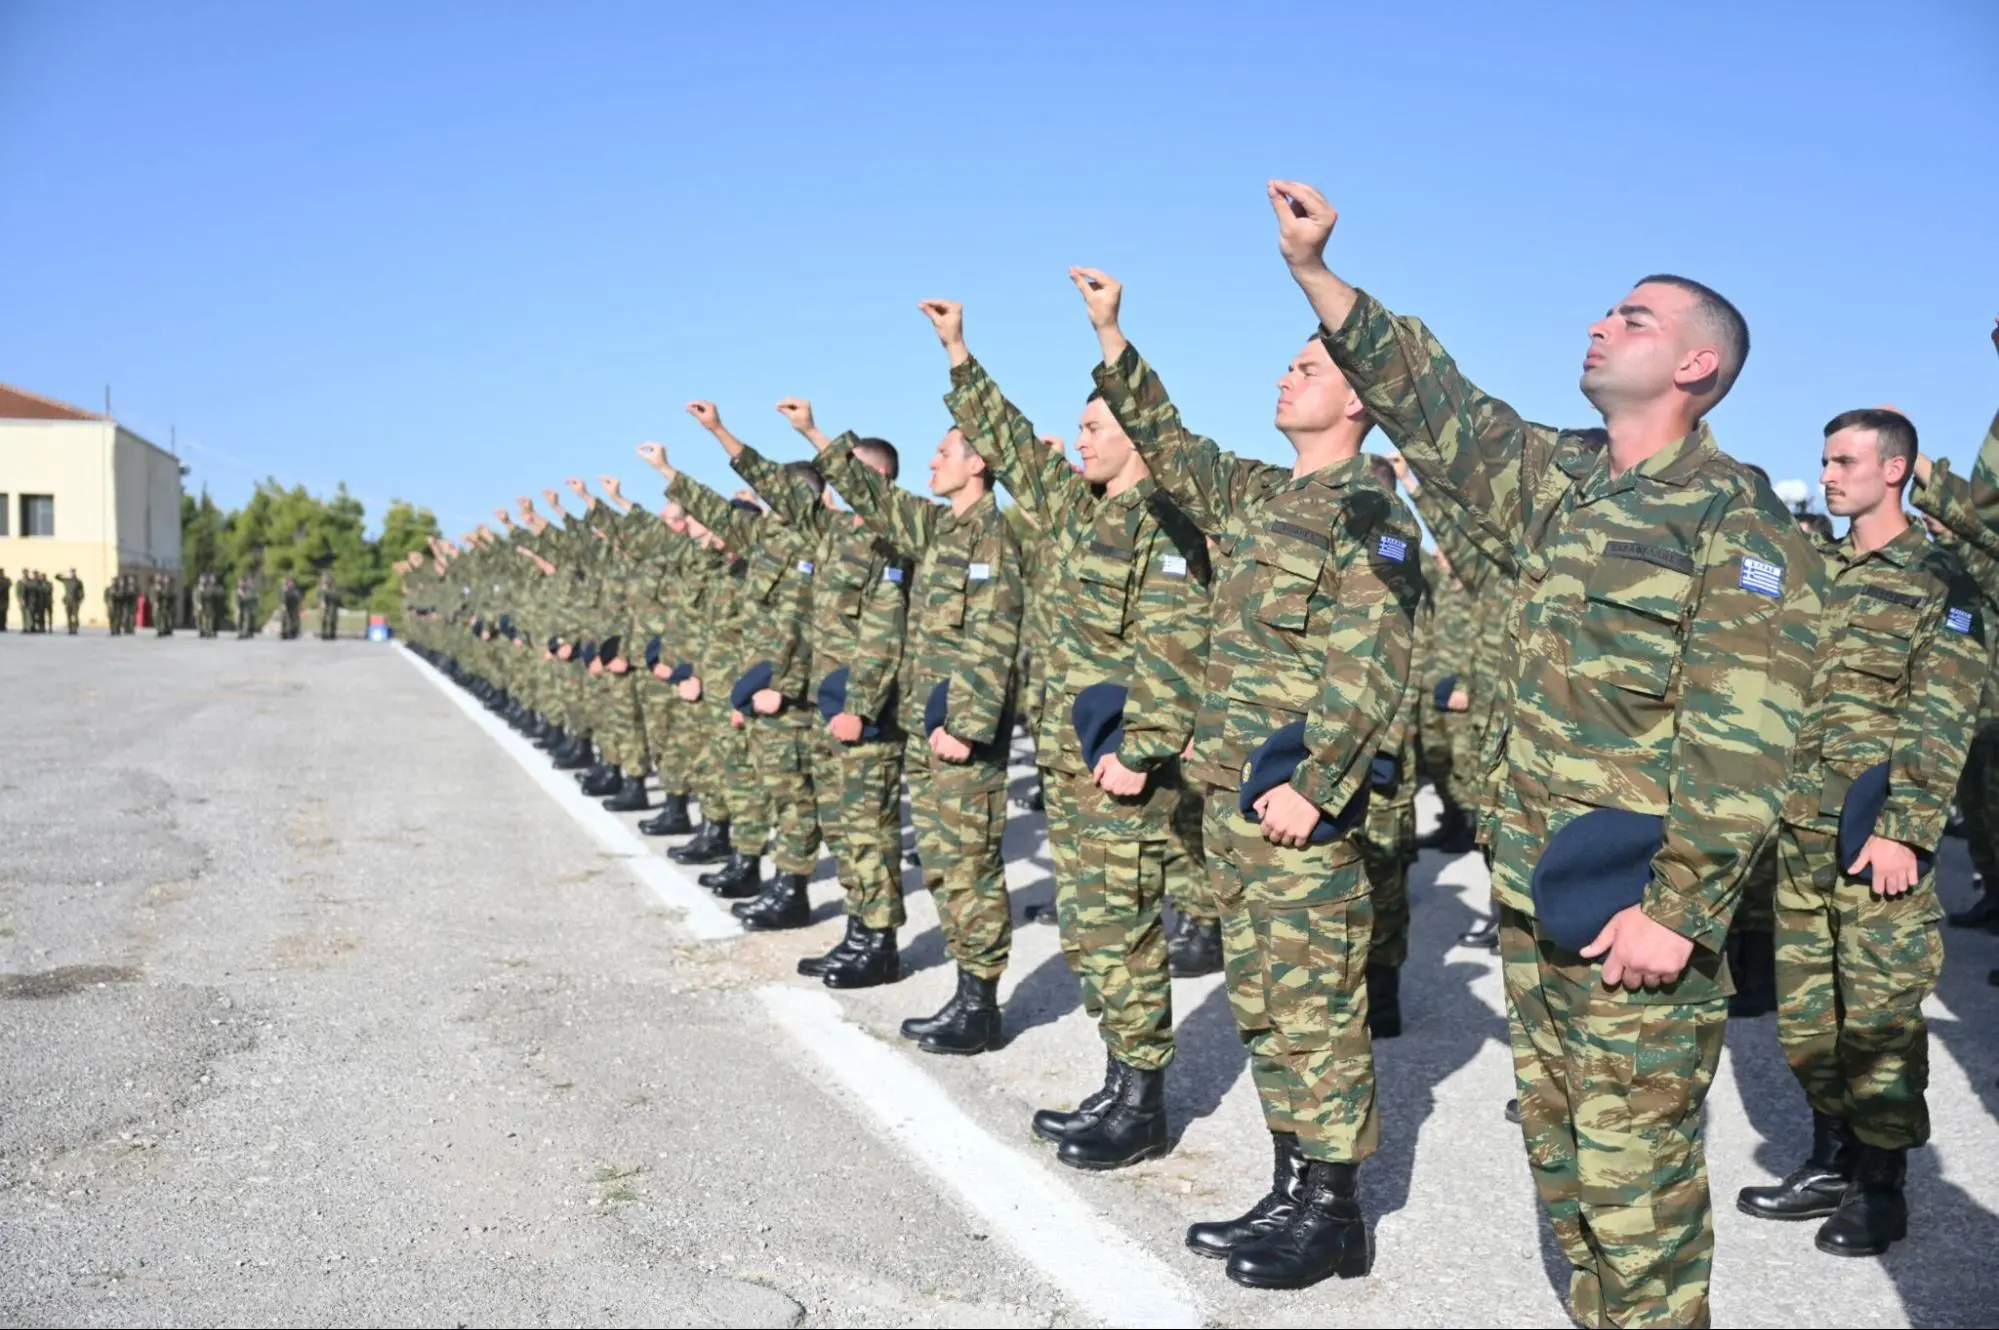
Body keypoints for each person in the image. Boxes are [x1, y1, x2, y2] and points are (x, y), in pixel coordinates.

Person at [1273, 179, 1820, 1324]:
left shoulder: (1735, 520)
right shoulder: (1560, 482)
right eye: (1602, 312)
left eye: (1632, 319)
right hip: (1535, 894)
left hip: (1635, 910)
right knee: (1567, 1175)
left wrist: (1676, 909)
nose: (1597, 324)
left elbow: (1748, 743)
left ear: (1695, 368)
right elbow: (1436, 404)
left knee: (1638, 1196)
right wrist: (1320, 274)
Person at [1090, 270, 1423, 1288]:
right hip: (1232, 803)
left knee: (1315, 1004)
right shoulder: (1259, 495)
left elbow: (1373, 659)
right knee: (1267, 1002)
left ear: (1359, 395)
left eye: (1308, 365)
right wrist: (1111, 330)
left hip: (1297, 810)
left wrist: (1319, 783)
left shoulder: (1375, 511)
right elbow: (1170, 439)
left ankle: (1335, 1213)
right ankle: (1291, 1188)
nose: (1285, 375)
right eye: (1286, 362)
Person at [939, 282, 1213, 1169]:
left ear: (1135, 435)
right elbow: (1013, 444)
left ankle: (1143, 1104)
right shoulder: (1074, 515)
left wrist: (1138, 750)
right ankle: (1117, 1080)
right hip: (1068, 767)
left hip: (1119, 770)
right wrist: (957, 352)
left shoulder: (1165, 525)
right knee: (1093, 932)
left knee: (1125, 929)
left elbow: (1174, 644)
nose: (1081, 440)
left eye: (1095, 428)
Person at [1734, 407, 1982, 1256]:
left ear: (1895, 469)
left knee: (1876, 1017)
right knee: (1808, 1021)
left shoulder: (1937, 577)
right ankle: (1828, 1160)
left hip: (1872, 839)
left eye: (1844, 461)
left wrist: (1907, 831)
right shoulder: (1815, 571)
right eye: (1824, 461)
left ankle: (1881, 1187)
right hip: (1798, 834)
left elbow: (1940, 711)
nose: (1829, 474)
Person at [809, 338, 1027, 1057]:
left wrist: (965, 722)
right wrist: (815, 435)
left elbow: (993, 635)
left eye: (944, 453)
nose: (932, 463)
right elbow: (869, 491)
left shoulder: (993, 536)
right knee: (941, 862)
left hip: (960, 733)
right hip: (928, 730)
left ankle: (981, 1002)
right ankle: (965, 992)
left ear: (978, 463)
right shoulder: (937, 530)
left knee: (968, 865)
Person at [317, 571, 342, 640]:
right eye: (323, 578)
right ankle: (324, 634)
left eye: (326, 579)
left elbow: (337, 597)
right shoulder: (321, 588)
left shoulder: (333, 588)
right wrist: (321, 601)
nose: (324, 580)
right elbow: (319, 596)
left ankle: (332, 633)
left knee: (332, 620)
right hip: (324, 606)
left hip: (332, 606)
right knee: (323, 620)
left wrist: (326, 592)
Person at [58, 569, 83, 634]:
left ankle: (75, 629)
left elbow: (81, 593)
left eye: (73, 572)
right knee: (68, 615)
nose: (72, 574)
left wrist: (79, 600)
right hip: (68, 601)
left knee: (75, 616)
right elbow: (57, 577)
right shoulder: (67, 580)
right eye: (71, 572)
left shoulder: (78, 581)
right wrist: (62, 572)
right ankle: (70, 629)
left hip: (75, 601)